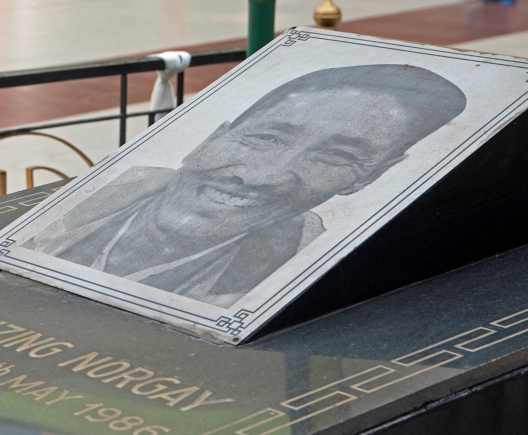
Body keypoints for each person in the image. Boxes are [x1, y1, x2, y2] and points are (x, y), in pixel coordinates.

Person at [25, 64, 467, 307]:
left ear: (368, 177)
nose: (260, 176)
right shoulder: (96, 201)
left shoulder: (297, 270)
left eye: (336, 156)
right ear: (215, 135)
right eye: (265, 138)